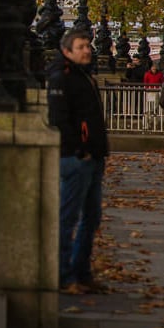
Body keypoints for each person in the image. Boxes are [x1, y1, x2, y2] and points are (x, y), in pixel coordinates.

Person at [47, 30, 110, 294]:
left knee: (92, 217)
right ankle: (64, 276)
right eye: (81, 46)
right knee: (68, 218)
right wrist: (78, 150)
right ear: (67, 51)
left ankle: (82, 272)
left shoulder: (84, 76)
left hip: (93, 156)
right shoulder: (63, 77)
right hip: (76, 159)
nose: (87, 50)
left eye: (88, 46)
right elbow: (59, 120)